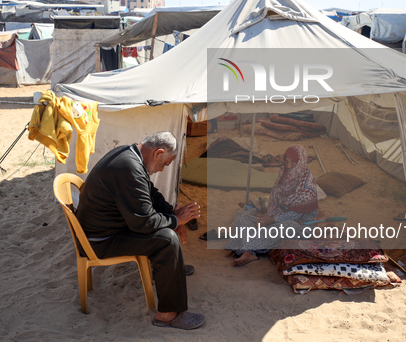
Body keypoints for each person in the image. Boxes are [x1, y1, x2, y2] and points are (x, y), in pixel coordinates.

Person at [76, 131, 205, 330]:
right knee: (167, 239)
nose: (162, 169)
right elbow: (144, 224)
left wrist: (171, 213)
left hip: (105, 229)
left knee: (167, 230)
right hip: (100, 241)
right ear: (158, 152)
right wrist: (176, 220)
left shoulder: (129, 153)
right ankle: (167, 314)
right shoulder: (128, 168)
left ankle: (171, 271)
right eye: (164, 163)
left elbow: (150, 193)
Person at [225, 144, 319, 266]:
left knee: (284, 228)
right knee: (245, 218)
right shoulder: (283, 175)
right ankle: (248, 251)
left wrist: (272, 219)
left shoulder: (308, 185)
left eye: (293, 162)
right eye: (286, 161)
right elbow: (274, 197)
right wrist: (268, 215)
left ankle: (246, 250)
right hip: (277, 216)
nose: (289, 166)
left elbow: (297, 214)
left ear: (300, 162)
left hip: (299, 224)